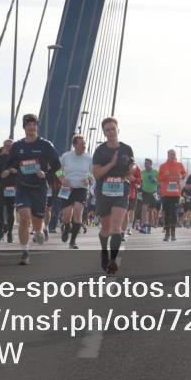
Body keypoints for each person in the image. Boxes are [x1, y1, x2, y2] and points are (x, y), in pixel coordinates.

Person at [4, 114, 61, 265]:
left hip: (40, 188)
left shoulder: (46, 145)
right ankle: (24, 252)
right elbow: (11, 163)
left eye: (34, 124)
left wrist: (46, 174)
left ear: (37, 126)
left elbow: (57, 165)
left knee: (37, 223)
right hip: (23, 187)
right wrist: (10, 170)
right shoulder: (17, 146)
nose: (32, 127)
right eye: (28, 124)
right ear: (24, 127)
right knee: (24, 217)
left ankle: (39, 230)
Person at [92, 117, 135, 275]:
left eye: (113, 128)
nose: (111, 132)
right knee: (106, 228)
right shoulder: (100, 151)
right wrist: (111, 163)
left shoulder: (126, 149)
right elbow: (96, 173)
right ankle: (104, 251)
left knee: (116, 226)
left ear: (118, 130)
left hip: (121, 189)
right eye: (107, 130)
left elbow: (132, 166)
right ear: (104, 133)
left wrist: (131, 168)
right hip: (103, 190)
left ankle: (112, 261)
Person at [58, 134, 92, 249]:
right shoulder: (66, 156)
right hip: (67, 188)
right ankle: (66, 226)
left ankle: (73, 241)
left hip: (81, 188)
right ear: (74, 145)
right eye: (81, 144)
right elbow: (57, 170)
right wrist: (62, 179)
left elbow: (93, 173)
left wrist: (89, 179)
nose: (84, 146)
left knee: (78, 210)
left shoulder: (89, 158)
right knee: (66, 216)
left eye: (85, 143)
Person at [158, 149, 187, 242]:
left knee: (174, 213)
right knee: (166, 213)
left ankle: (173, 233)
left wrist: (181, 176)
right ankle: (167, 234)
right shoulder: (163, 166)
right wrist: (164, 175)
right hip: (165, 194)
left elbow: (184, 174)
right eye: (171, 154)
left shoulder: (179, 165)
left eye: (174, 154)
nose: (172, 156)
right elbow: (159, 179)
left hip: (175, 193)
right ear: (168, 155)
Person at [0, 141, 15, 243]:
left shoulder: (16, 157)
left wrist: (11, 171)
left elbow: (21, 169)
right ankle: (1, 232)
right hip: (0, 186)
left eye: (10, 146)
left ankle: (9, 233)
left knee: (10, 211)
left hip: (11, 186)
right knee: (0, 210)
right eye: (6, 145)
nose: (8, 147)